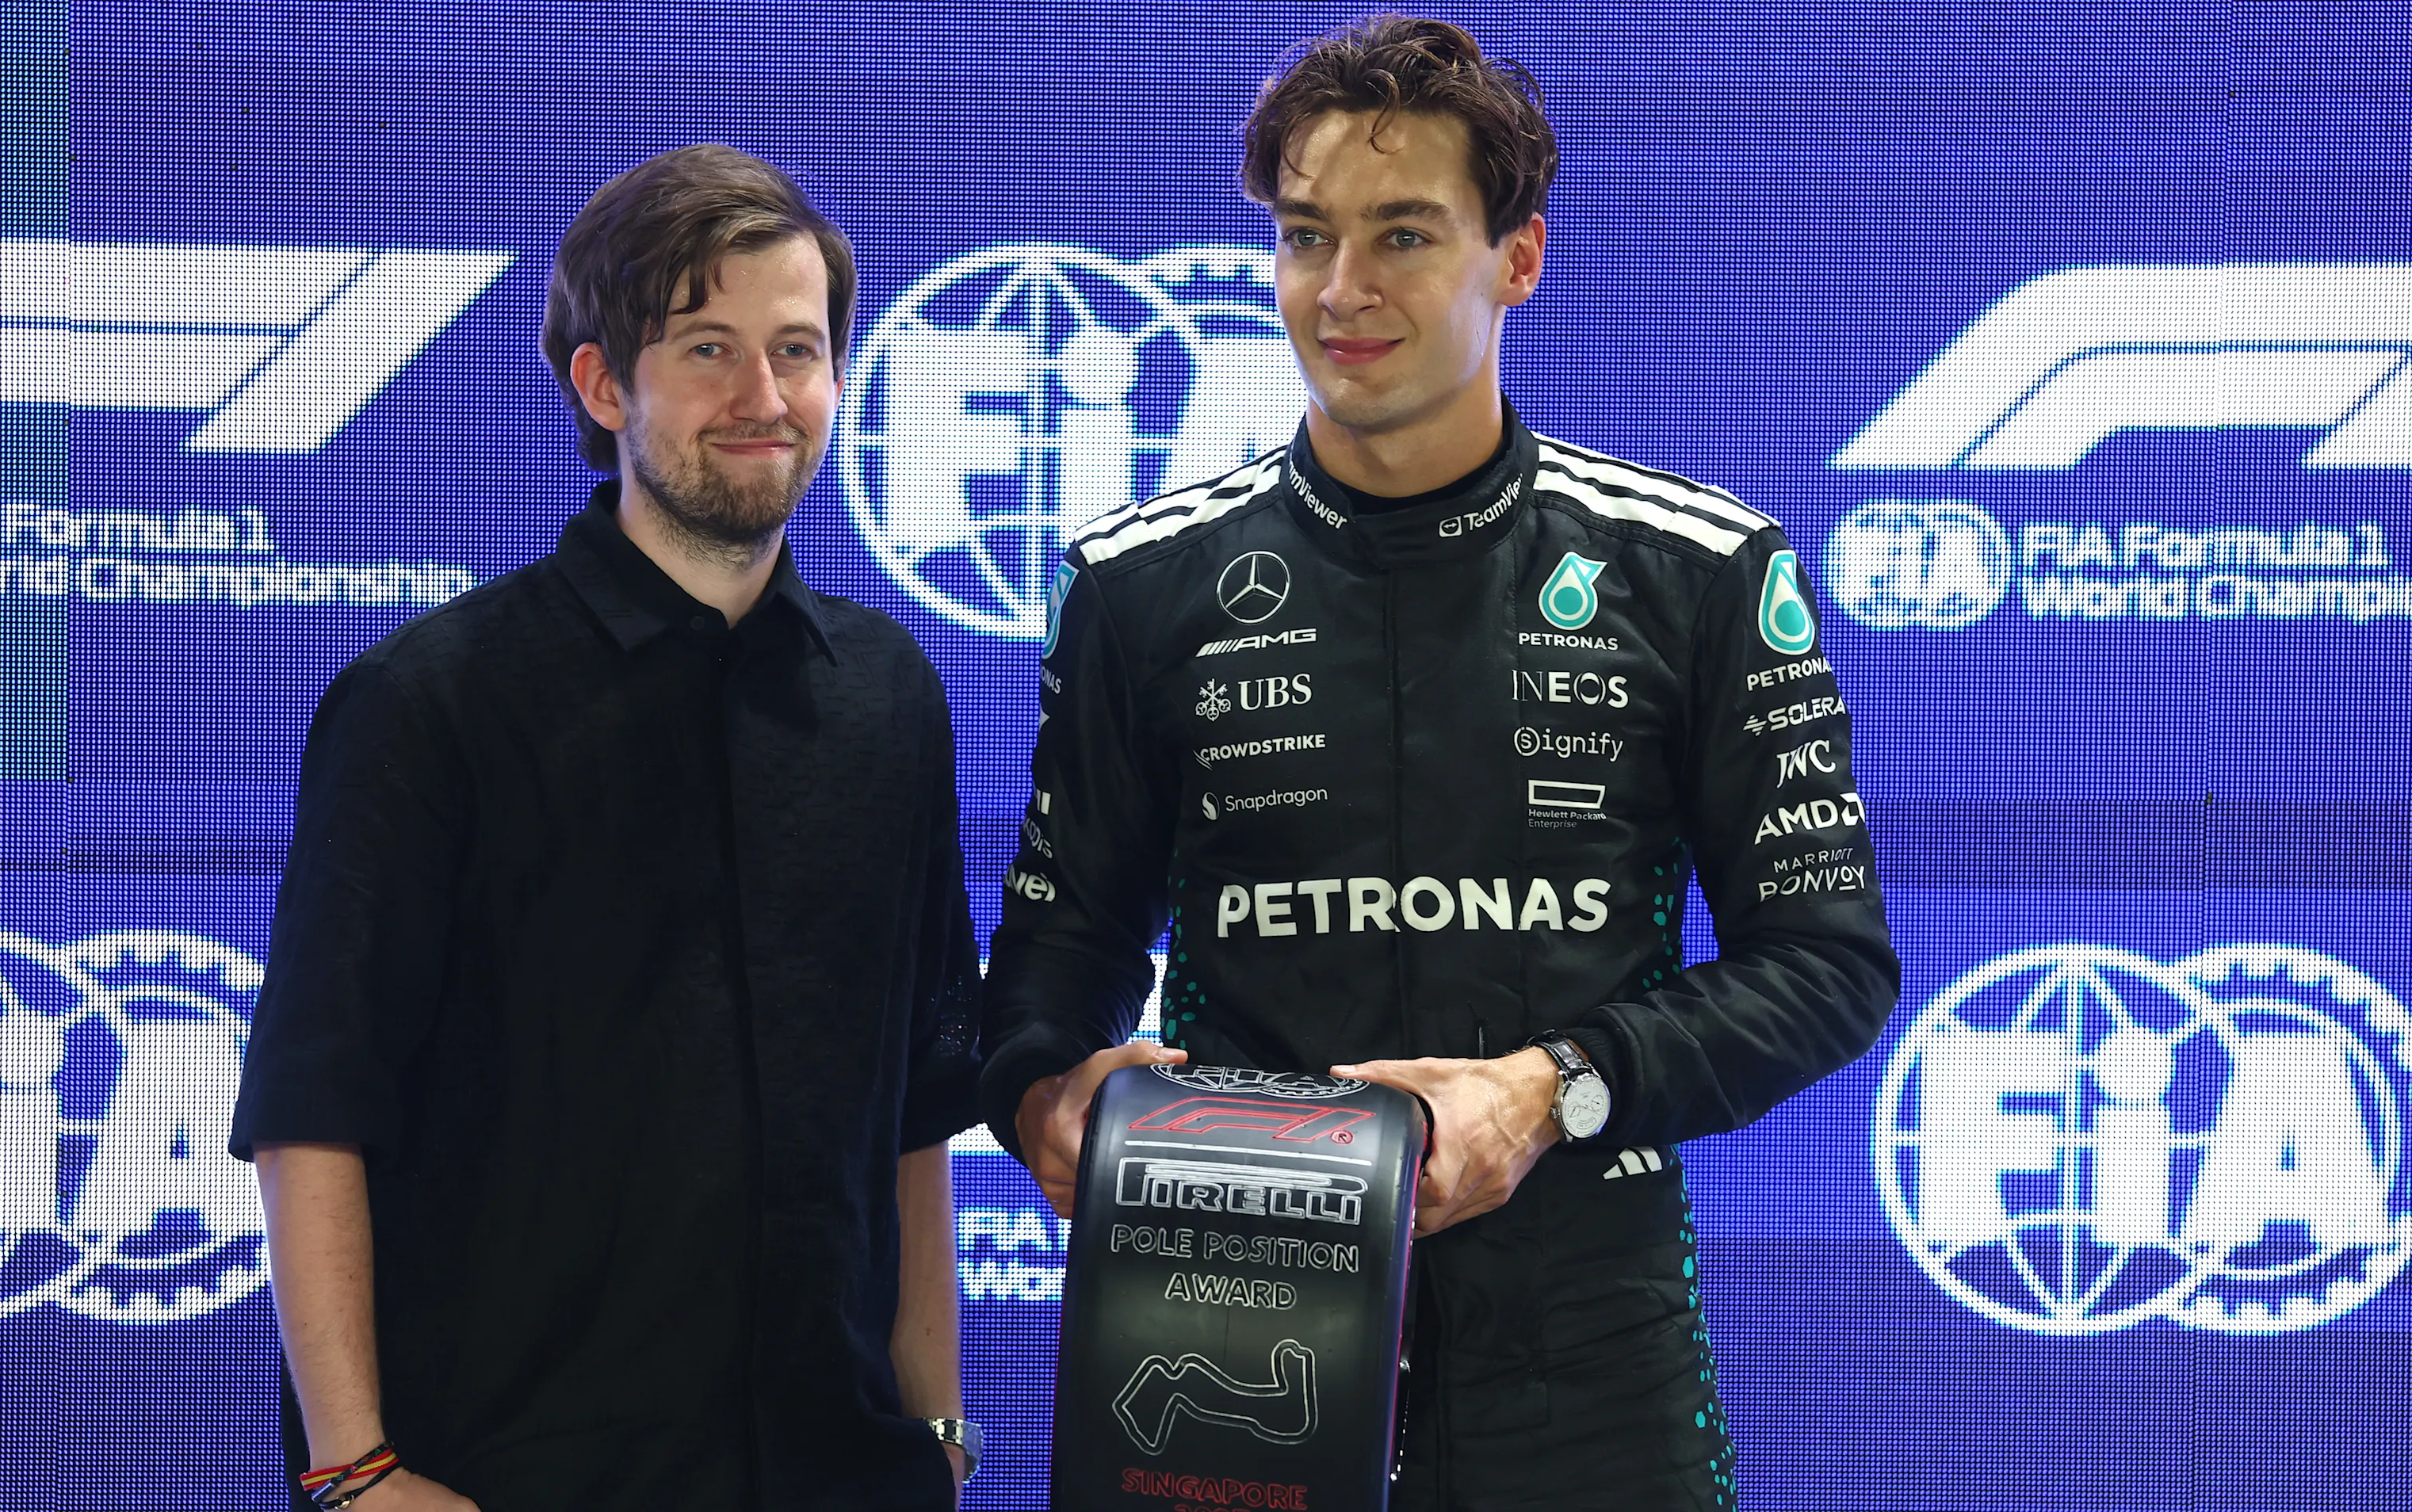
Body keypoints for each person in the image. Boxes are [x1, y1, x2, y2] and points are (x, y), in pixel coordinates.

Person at [980, 17, 1898, 1510]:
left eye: (1402, 235)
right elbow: (1054, 957)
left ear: (1516, 258)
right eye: (1305, 236)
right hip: (1228, 1323)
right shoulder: (1140, 586)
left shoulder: (1698, 571)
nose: (1341, 290)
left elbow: (1827, 962)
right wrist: (1042, 1097)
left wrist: (1550, 1092)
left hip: (1588, 1360)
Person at [231, 144, 984, 1512]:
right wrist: (353, 1470)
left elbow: (915, 1113)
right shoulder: (430, 703)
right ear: (601, 384)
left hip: (841, 1478)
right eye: (708, 350)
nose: (765, 399)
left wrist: (933, 1426)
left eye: (798, 351)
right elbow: (313, 1113)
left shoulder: (890, 695)